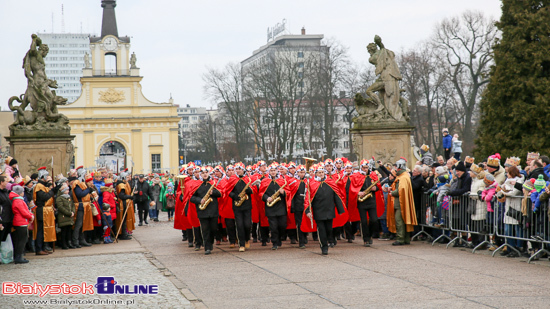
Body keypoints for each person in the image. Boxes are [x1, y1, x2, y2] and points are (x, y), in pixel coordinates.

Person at [305, 166, 345, 255]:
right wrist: (307, 211)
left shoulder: (330, 182)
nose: (321, 174)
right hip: (318, 211)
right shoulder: (311, 184)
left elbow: (336, 195)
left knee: (329, 229)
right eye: (319, 173)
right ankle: (324, 246)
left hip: (329, 210)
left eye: (322, 172)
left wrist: (340, 209)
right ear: (316, 173)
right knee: (321, 230)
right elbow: (307, 199)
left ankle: (329, 240)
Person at [227, 163, 258, 252]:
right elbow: (228, 190)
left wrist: (250, 190)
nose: (238, 171)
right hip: (237, 205)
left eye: (239, 169)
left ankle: (247, 238)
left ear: (243, 169)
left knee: (247, 225)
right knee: (239, 225)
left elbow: (255, 189)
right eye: (236, 169)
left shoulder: (248, 178)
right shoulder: (232, 179)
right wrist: (234, 196)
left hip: (247, 205)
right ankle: (242, 244)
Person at [190, 167, 222, 255]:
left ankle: (210, 242)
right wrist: (199, 200)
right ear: (200, 174)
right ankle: (207, 247)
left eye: (206, 172)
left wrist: (213, 193)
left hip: (213, 210)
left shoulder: (213, 183)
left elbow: (220, 194)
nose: (204, 174)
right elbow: (192, 197)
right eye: (203, 173)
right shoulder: (197, 185)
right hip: (202, 211)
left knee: (213, 229)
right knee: (205, 229)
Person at [349, 160, 380, 247]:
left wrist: (376, 188)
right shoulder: (356, 176)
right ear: (361, 167)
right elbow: (352, 187)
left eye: (366, 167)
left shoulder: (373, 175)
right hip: (362, 201)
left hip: (371, 200)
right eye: (364, 167)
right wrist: (358, 192)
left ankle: (370, 235)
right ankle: (366, 239)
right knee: (363, 221)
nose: (365, 169)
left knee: (374, 220)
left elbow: (378, 186)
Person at [387, 158, 418, 245]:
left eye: (396, 167)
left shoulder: (402, 177)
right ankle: (406, 239)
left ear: (399, 167)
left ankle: (400, 239)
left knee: (399, 221)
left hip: (400, 203)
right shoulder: (403, 176)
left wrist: (391, 192)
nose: (395, 169)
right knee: (405, 220)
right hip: (402, 202)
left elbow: (400, 191)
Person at [260, 164, 289, 250]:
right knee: (273, 227)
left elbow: (288, 192)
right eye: (271, 171)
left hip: (281, 206)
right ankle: (274, 242)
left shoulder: (282, 181)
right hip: (270, 207)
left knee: (282, 225)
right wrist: (266, 198)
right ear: (269, 171)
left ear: (277, 171)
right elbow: (261, 193)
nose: (273, 172)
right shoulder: (265, 181)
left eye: (274, 170)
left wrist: (283, 192)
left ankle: (279, 238)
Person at [33, 168, 58, 254]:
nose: (47, 177)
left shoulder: (43, 186)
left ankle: (44, 247)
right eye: (46, 176)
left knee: (45, 230)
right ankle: (39, 248)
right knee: (41, 230)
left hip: (46, 210)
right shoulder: (39, 186)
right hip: (42, 210)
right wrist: (52, 191)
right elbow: (44, 197)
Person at [10, 185, 34, 264]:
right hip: (21, 221)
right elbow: (23, 212)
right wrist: (30, 216)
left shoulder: (17, 200)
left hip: (20, 221)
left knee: (20, 240)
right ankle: (18, 256)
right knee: (22, 240)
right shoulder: (18, 201)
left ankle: (19, 256)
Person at [56, 184, 74, 250]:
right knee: (64, 231)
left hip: (69, 216)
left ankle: (69, 242)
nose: (68, 191)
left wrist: (73, 212)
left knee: (69, 230)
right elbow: (61, 207)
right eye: (67, 190)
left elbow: (72, 205)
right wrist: (69, 213)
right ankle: (64, 244)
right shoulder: (59, 198)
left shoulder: (69, 197)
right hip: (64, 216)